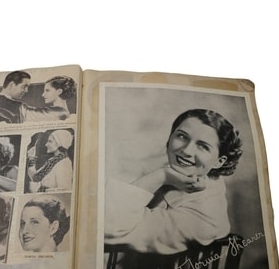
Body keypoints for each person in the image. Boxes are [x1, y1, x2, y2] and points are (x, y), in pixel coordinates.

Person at [104, 109, 243, 255]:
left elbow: (107, 224)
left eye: (203, 146)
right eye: (182, 136)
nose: (186, 151)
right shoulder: (177, 168)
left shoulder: (205, 218)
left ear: (219, 162)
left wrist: (162, 176)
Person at [0, 71, 69, 124]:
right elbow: (55, 114)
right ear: (11, 85)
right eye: (24, 87)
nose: (26, 91)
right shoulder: (17, 107)